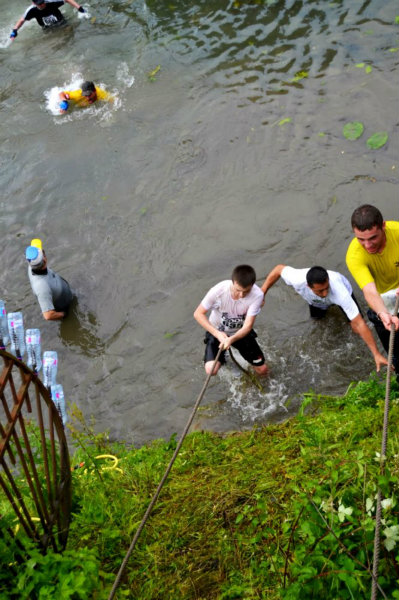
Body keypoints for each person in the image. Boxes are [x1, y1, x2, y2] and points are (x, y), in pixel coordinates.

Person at [260, 264, 388, 372]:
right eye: (320, 291)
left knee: (355, 327)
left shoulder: (340, 293)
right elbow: (278, 269)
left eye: (327, 288)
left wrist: (376, 353)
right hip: (315, 302)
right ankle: (320, 306)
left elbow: (359, 323)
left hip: (342, 295)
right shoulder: (297, 279)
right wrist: (263, 291)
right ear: (308, 286)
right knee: (318, 321)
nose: (325, 293)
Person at [346, 204, 399, 377]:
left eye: (373, 238)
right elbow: (369, 290)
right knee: (395, 352)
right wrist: (383, 314)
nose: (367, 245)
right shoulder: (354, 255)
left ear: (383, 226)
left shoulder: (397, 232)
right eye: (361, 239)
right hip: (382, 301)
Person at [194, 265, 269, 377]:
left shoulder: (257, 295)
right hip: (217, 331)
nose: (241, 295)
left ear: (252, 286)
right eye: (238, 290)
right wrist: (217, 334)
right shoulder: (218, 291)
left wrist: (232, 339)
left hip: (240, 332)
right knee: (211, 371)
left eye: (246, 291)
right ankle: (224, 359)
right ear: (232, 282)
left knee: (262, 370)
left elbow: (247, 326)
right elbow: (198, 314)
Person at [25, 239, 73, 321]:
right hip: (63, 304)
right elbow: (48, 315)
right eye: (43, 252)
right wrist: (64, 314)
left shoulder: (32, 264)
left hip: (64, 292)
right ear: (44, 260)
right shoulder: (42, 287)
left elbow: (34, 249)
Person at [10, 0, 85, 40]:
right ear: (34, 3)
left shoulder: (50, 2)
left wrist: (79, 8)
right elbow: (22, 20)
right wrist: (14, 31)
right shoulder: (31, 10)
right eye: (39, 4)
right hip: (47, 28)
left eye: (42, 2)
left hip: (62, 23)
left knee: (69, 33)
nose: (42, 4)